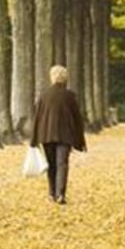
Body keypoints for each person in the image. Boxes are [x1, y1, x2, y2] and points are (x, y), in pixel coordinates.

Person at [30, 64, 87, 204]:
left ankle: (51, 193)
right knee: (62, 164)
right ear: (65, 79)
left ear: (52, 78)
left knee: (51, 164)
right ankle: (60, 193)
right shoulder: (70, 96)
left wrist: (34, 139)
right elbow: (77, 119)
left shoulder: (44, 96)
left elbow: (38, 117)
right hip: (65, 135)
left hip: (47, 135)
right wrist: (81, 141)